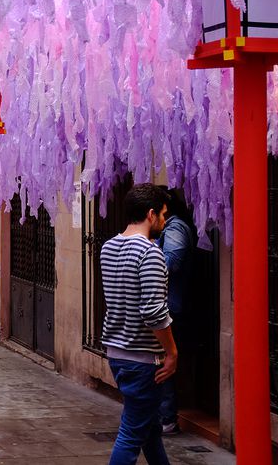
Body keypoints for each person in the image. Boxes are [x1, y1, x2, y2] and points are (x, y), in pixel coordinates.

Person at [101, 183, 177, 465]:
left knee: (149, 430)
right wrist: (172, 352)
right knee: (132, 434)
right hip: (144, 359)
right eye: (163, 214)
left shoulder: (108, 248)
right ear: (150, 214)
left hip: (117, 353)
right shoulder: (150, 253)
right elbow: (154, 312)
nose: (165, 221)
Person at [152, 186, 195, 434]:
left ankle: (166, 418)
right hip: (166, 306)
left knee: (163, 361)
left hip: (170, 307)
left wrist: (147, 250)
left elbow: (170, 264)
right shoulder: (167, 228)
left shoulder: (175, 227)